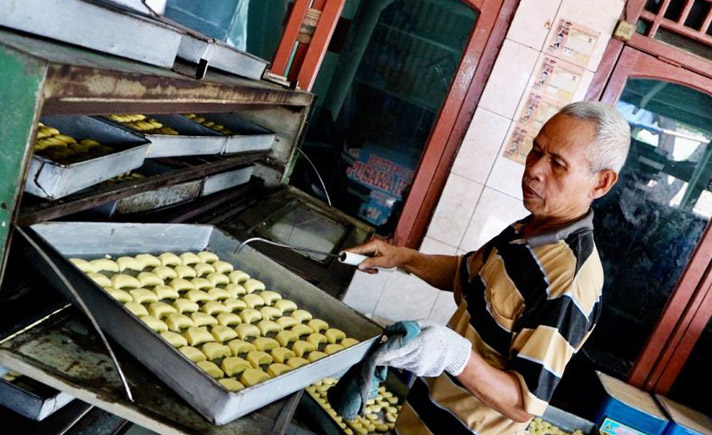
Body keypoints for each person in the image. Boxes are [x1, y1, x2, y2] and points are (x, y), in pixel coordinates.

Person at [347, 101, 631, 434]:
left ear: (600, 183)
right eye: (536, 151)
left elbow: (522, 403)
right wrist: (401, 257)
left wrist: (455, 355)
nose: (535, 170)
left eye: (557, 164)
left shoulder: (569, 279)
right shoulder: (527, 230)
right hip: (419, 420)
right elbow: (466, 276)